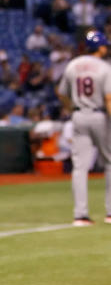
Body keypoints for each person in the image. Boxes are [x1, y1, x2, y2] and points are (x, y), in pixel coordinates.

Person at [56, 29, 111, 226]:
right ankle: (110, 213)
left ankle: (80, 215)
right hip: (100, 116)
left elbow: (61, 92)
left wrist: (70, 106)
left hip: (79, 115)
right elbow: (109, 98)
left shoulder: (73, 65)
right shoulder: (105, 68)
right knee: (110, 163)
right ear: (101, 48)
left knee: (80, 167)